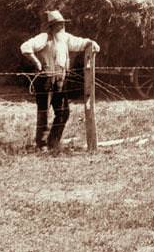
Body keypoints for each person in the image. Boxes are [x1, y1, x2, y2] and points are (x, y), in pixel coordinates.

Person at [20, 10, 100, 152]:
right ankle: (42, 144)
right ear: (52, 26)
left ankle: (53, 142)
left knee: (63, 112)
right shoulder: (44, 37)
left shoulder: (65, 38)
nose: (62, 26)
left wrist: (91, 42)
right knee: (44, 112)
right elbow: (25, 47)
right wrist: (37, 63)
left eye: (63, 23)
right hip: (45, 79)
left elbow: (80, 43)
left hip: (60, 80)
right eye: (59, 24)